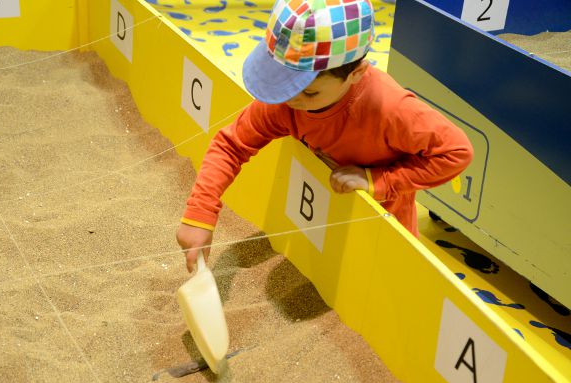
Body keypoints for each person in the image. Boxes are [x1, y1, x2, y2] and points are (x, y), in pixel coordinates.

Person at [176, 0, 473, 272]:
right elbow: (231, 144)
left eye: (308, 91)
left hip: (380, 233)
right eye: (282, 81)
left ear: (356, 73)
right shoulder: (285, 103)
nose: (291, 98)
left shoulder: (391, 108)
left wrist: (379, 181)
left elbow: (457, 151)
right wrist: (200, 212)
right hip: (319, 228)